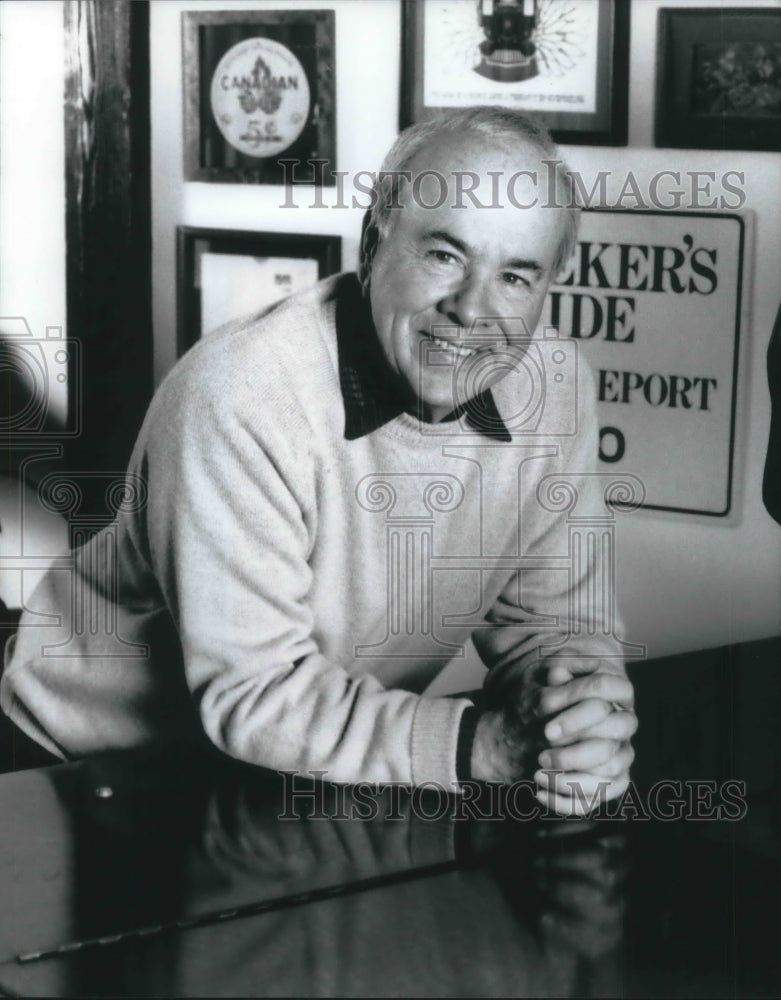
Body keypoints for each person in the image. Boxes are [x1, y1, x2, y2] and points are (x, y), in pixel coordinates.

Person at [1, 108, 635, 814]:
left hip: (307, 766)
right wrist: (483, 746)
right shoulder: (241, 392)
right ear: (373, 245)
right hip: (88, 770)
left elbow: (556, 624)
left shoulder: (556, 386)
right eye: (444, 255)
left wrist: (578, 710)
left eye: (516, 276)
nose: (472, 310)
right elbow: (255, 693)